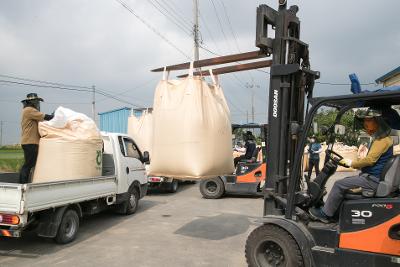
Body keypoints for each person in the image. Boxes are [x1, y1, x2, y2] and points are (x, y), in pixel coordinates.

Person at [309, 108, 393, 223]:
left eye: (369, 120)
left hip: (373, 180)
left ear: (379, 122)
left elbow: (370, 160)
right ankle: (334, 213)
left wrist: (351, 163)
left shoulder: (382, 140)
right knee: (345, 183)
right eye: (365, 121)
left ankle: (325, 214)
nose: (365, 124)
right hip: (372, 178)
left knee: (339, 184)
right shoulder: (383, 139)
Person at [19, 93, 54, 183]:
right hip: (30, 142)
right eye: (36, 101)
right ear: (31, 102)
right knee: (28, 164)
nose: (38, 104)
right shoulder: (29, 110)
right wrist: (55, 116)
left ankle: (26, 182)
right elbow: (45, 117)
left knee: (30, 164)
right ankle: (23, 184)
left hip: (30, 142)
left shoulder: (29, 111)